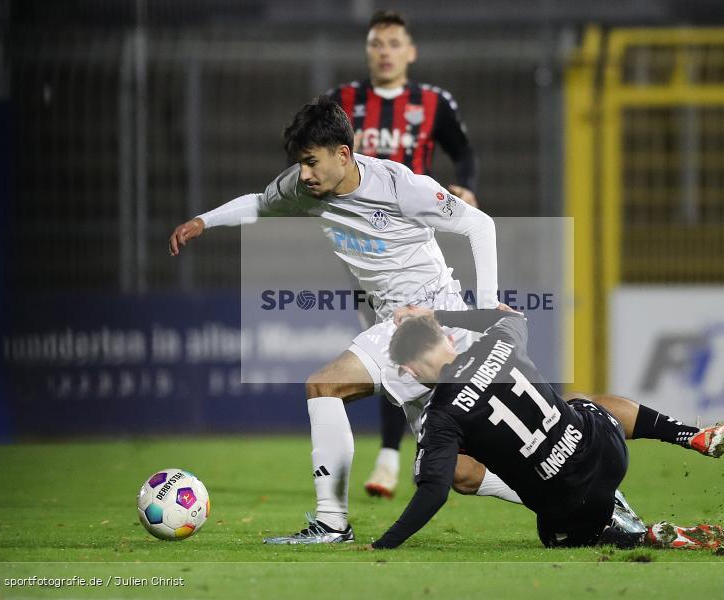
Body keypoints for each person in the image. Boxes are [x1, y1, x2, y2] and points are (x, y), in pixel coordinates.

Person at [168, 96, 517, 544]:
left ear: (344, 154)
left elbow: (480, 225)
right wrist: (203, 221)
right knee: (460, 472)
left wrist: (486, 304)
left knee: (324, 385)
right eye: (300, 163)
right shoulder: (304, 186)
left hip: (428, 320)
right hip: (404, 325)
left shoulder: (398, 186)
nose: (304, 173)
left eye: (311, 162)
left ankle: (332, 523)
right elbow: (259, 203)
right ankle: (579, 498)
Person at [370, 306, 724, 550]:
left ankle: (645, 538)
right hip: (608, 453)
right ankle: (688, 435)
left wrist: (384, 544)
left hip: (570, 502)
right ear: (448, 339)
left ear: (412, 372)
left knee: (555, 533)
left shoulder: (442, 414)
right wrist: (435, 314)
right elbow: (513, 315)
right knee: (580, 402)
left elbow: (433, 491)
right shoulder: (499, 343)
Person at [327, 9, 480, 498]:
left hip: (418, 243)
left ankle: (422, 451)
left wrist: (467, 188)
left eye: (394, 43)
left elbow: (464, 152)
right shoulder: (343, 103)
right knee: (390, 345)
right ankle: (407, 453)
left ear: (410, 51)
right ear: (367, 51)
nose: (385, 51)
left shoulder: (432, 102)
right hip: (370, 250)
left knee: (423, 345)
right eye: (376, 43)